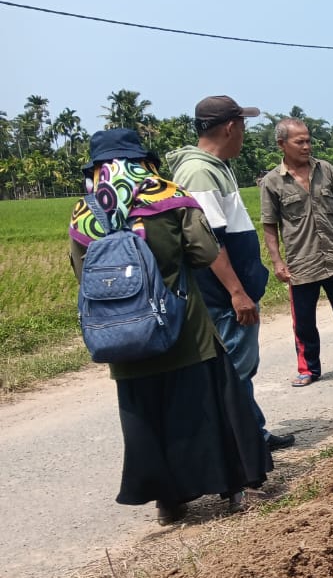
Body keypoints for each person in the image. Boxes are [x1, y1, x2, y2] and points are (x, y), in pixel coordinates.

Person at [69, 129, 271, 524]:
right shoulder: (167, 197)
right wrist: (235, 291)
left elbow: (83, 273)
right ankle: (235, 489)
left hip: (124, 335)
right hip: (185, 329)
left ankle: (169, 502)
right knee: (212, 404)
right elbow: (203, 251)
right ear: (143, 161)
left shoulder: (84, 212)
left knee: (147, 413)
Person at [167, 95, 294, 451]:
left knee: (239, 368)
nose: (244, 134)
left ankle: (253, 433)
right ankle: (232, 447)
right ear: (229, 127)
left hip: (232, 289)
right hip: (223, 295)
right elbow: (209, 241)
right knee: (234, 370)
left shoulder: (215, 165)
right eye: (243, 126)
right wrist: (236, 292)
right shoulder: (199, 172)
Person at [260, 119, 333, 385]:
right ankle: (309, 369)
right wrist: (277, 262)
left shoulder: (327, 170)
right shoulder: (272, 182)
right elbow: (269, 224)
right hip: (302, 262)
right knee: (304, 322)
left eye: (308, 140)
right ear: (282, 144)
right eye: (299, 141)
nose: (306, 146)